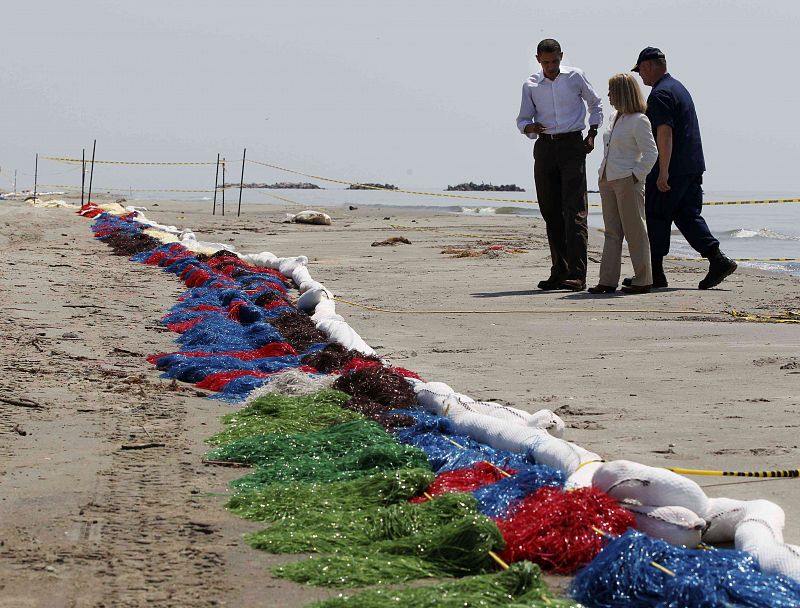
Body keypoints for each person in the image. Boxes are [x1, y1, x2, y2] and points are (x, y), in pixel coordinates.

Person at [630, 47, 737, 290]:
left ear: (649, 66)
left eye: (641, 71)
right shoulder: (679, 88)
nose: (641, 77)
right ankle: (717, 258)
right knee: (687, 216)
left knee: (657, 216)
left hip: (671, 167)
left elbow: (664, 133)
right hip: (692, 165)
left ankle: (655, 273)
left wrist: (663, 171)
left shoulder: (659, 95)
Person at [517, 38, 603, 291]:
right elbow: (522, 119)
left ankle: (578, 274)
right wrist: (529, 127)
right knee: (550, 211)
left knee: (574, 210)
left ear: (561, 56)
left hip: (572, 145)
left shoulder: (575, 76)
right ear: (538, 60)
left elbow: (595, 102)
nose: (551, 66)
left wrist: (593, 132)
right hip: (544, 147)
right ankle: (559, 271)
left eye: (554, 61)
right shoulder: (530, 84)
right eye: (546, 62)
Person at [589, 73, 658, 295]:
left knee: (635, 231)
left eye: (611, 90)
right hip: (607, 178)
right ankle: (607, 280)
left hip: (627, 180)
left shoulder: (639, 119)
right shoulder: (613, 117)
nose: (608, 94)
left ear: (622, 92)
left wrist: (636, 176)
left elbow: (651, 153)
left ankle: (643, 278)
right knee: (612, 232)